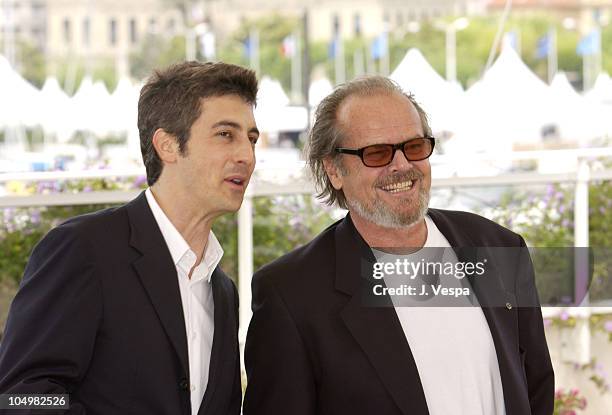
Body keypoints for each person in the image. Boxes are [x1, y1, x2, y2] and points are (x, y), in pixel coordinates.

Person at [243, 76, 554, 415]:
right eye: (377, 153)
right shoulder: (291, 295)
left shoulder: (499, 248)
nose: (402, 165)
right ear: (334, 170)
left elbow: (536, 384)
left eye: (415, 147)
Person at [0, 61, 259, 415]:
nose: (246, 155)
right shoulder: (83, 250)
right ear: (168, 146)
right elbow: (20, 397)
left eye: (251, 138)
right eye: (226, 134)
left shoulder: (223, 291)